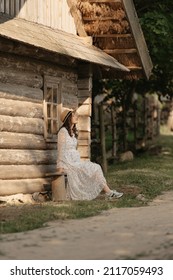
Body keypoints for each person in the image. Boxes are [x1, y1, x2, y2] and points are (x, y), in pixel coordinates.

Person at [56, 108, 123, 201]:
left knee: (95, 167)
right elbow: (60, 150)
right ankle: (109, 192)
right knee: (95, 168)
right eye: (74, 115)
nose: (76, 117)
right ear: (68, 118)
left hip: (75, 162)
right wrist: (60, 167)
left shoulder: (73, 132)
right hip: (68, 164)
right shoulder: (62, 132)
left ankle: (109, 192)